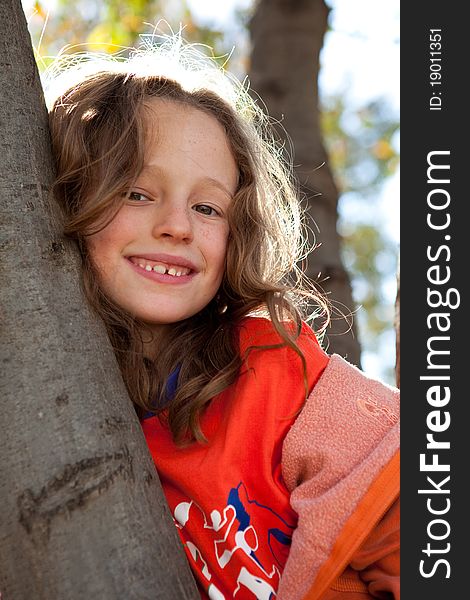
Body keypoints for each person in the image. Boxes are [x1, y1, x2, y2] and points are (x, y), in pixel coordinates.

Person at [44, 32, 400, 600]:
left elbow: (408, 510)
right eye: (137, 193)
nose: (177, 226)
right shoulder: (44, 416)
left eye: (207, 207)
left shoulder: (275, 372)